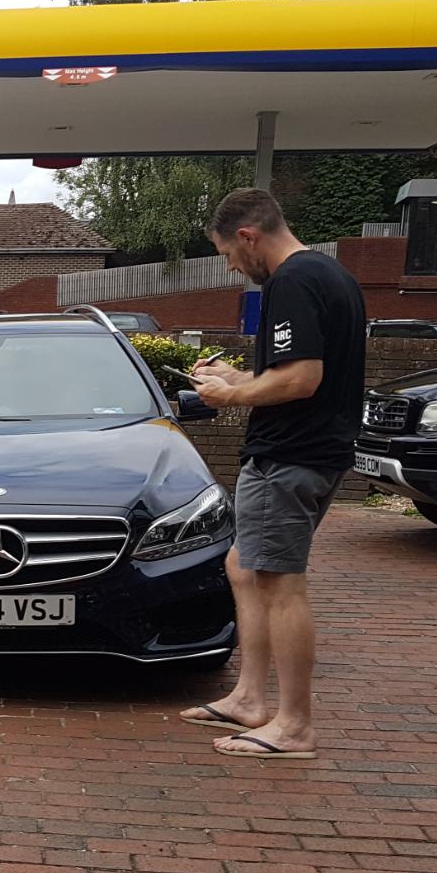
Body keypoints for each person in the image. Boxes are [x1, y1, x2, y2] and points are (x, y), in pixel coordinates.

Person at [181, 188, 365, 761]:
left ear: (247, 236)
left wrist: (226, 397)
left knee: (279, 583)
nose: (235, 268)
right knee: (244, 566)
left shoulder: (291, 281)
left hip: (290, 455)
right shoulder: (330, 275)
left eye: (230, 256)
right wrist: (237, 378)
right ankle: (248, 698)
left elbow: (300, 380)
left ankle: (293, 726)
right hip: (312, 449)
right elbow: (295, 373)